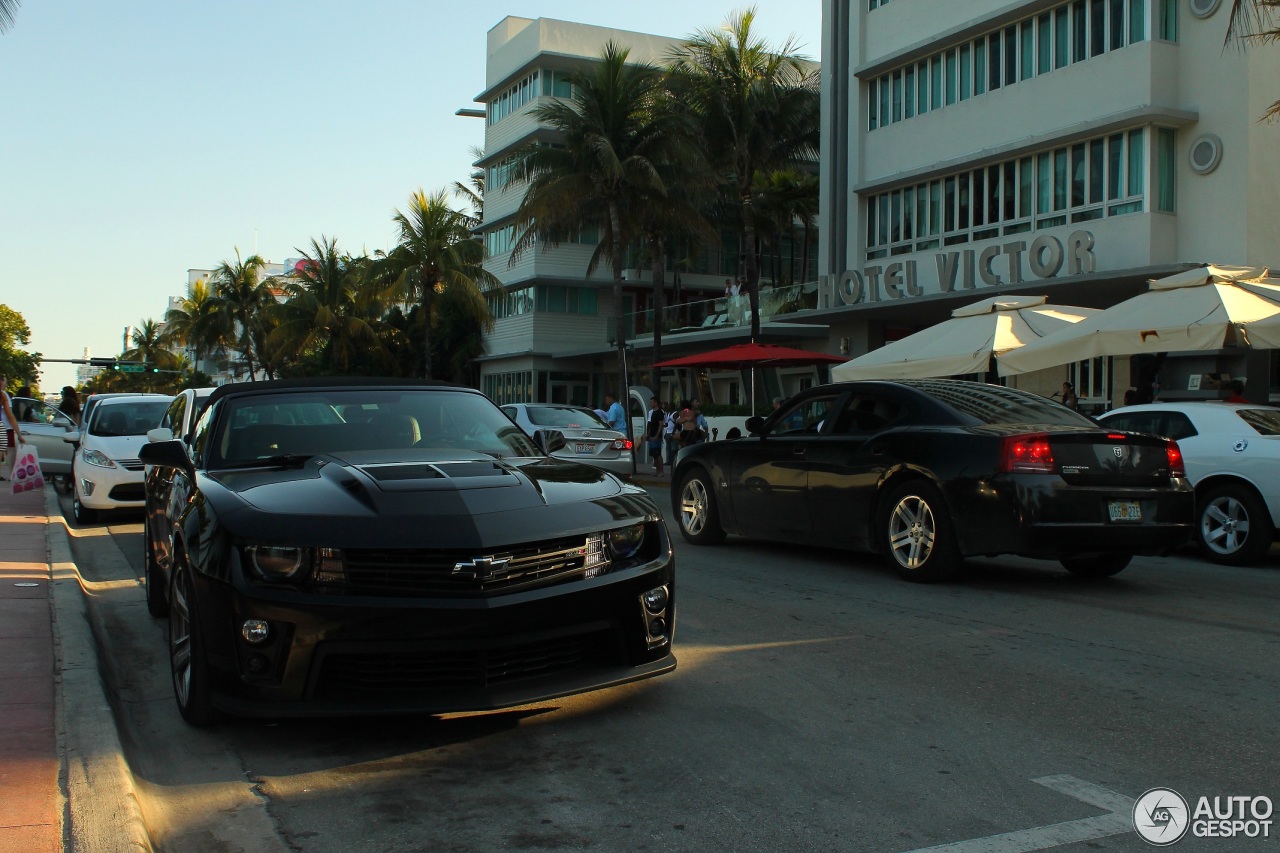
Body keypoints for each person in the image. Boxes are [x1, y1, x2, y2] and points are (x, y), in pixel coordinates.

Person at [0, 376, 26, 477]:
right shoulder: (3, 395)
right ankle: (12, 475)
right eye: (5, 382)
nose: (6, 385)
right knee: (9, 451)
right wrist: (19, 434)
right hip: (4, 427)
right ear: (1, 381)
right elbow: (10, 416)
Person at [645, 397, 665, 476]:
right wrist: (648, 434)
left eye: (652, 402)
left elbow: (661, 425)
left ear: (656, 403)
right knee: (654, 454)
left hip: (657, 436)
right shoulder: (652, 412)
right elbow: (651, 425)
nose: (650, 404)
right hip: (652, 435)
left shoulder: (659, 412)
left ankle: (661, 471)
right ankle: (657, 471)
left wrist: (657, 435)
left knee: (658, 453)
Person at [663, 400, 680, 467]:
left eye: (669, 405)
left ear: (672, 406)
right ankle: (668, 461)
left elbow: (676, 423)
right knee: (668, 448)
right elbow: (667, 424)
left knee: (674, 448)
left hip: (673, 433)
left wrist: (673, 433)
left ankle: (673, 461)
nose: (668, 406)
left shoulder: (675, 414)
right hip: (668, 432)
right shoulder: (668, 413)